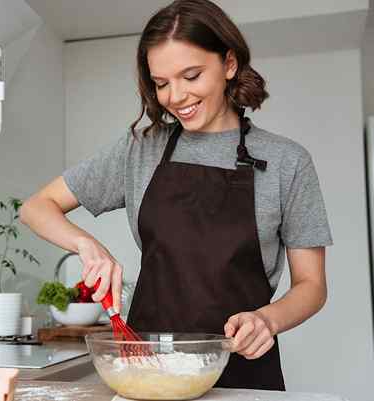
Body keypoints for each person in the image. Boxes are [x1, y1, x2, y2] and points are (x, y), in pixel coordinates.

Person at [20, 0, 332, 390]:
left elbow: (312, 286)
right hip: (147, 373)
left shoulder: (288, 161)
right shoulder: (141, 149)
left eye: (191, 75)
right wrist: (87, 245)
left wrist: (267, 320)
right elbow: (36, 207)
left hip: (244, 371)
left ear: (229, 64)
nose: (176, 96)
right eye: (162, 83)